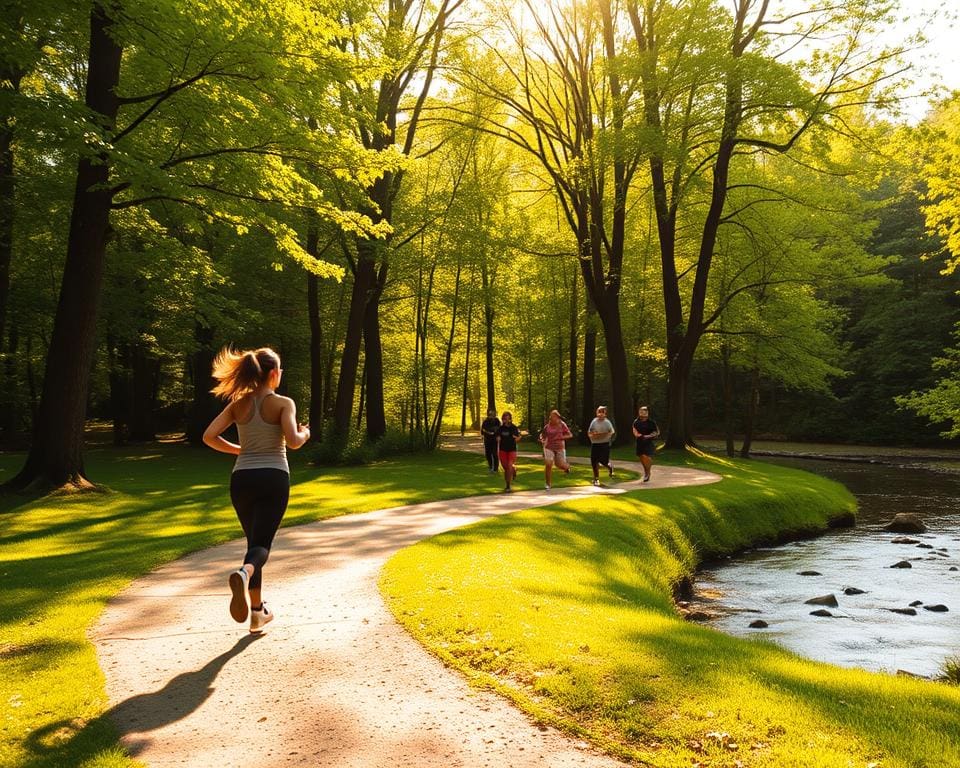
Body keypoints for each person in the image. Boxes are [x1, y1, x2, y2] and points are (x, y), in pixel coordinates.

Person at [203, 346, 310, 633]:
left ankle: (256, 613)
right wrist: (305, 433)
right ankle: (243, 572)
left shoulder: (238, 404)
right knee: (261, 547)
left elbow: (209, 436)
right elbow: (293, 441)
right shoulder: (283, 403)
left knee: (254, 544)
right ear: (274, 374)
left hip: (242, 479)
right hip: (273, 477)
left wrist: (241, 450)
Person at [539, 409, 573, 490]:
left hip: (559, 447)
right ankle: (548, 484)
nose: (552, 418)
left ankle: (567, 467)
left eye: (554, 417)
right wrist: (542, 440)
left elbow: (570, 435)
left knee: (560, 465)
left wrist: (561, 437)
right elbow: (542, 435)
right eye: (551, 416)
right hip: (549, 447)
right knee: (548, 464)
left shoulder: (562, 425)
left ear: (558, 418)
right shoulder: (547, 426)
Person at [587, 405, 616, 486]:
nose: (600, 414)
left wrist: (606, 435)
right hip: (595, 444)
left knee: (604, 461)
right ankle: (596, 479)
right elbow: (590, 432)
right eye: (599, 412)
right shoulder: (594, 422)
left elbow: (612, 432)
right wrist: (593, 434)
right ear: (596, 413)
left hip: (605, 444)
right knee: (594, 461)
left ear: (605, 414)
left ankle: (610, 468)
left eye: (602, 412)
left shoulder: (607, 422)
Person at [631, 405, 660, 483]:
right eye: (641, 412)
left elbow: (656, 432)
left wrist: (648, 436)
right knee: (642, 457)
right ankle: (646, 472)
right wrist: (637, 434)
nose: (642, 415)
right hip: (640, 442)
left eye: (644, 413)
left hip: (649, 442)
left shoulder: (651, 422)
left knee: (647, 457)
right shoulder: (636, 422)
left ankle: (647, 473)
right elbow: (634, 430)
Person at [495, 411, 522, 492]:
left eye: (507, 419)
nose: (506, 420)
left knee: (509, 465)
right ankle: (513, 469)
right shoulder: (500, 428)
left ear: (510, 419)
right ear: (502, 419)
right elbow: (497, 436)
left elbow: (518, 437)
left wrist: (517, 438)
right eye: (504, 419)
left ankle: (508, 486)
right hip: (502, 450)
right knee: (506, 468)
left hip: (512, 449)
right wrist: (498, 438)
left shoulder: (513, 427)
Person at [480, 409, 501, 473]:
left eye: (494, 415)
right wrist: (488, 432)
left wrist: (497, 435)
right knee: (488, 454)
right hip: (487, 440)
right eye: (491, 415)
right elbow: (483, 430)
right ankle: (490, 467)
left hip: (494, 440)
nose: (493, 416)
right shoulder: (485, 421)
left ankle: (495, 468)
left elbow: (499, 429)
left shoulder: (497, 421)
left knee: (494, 453)